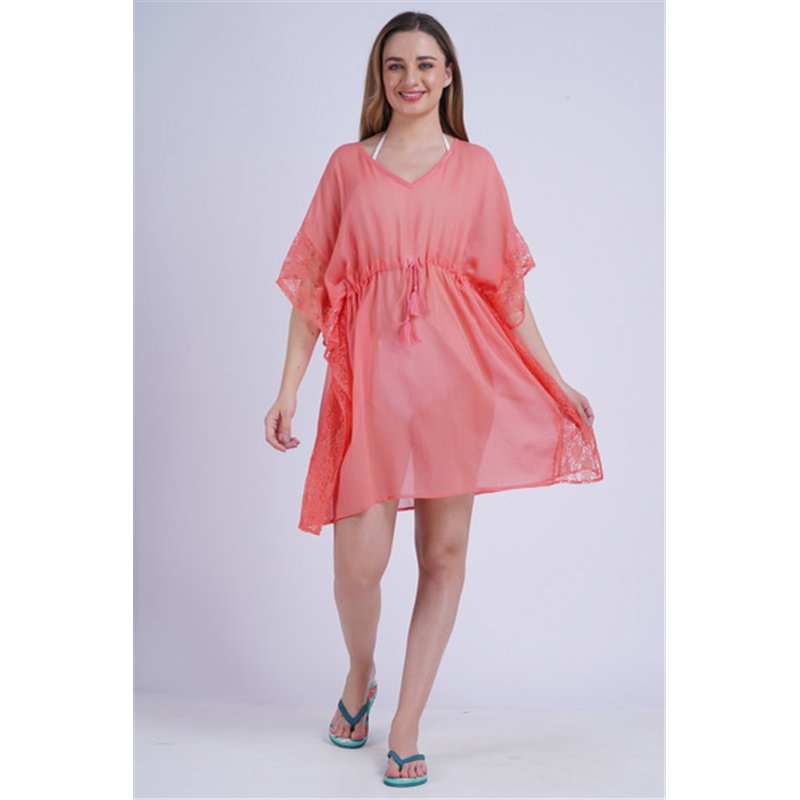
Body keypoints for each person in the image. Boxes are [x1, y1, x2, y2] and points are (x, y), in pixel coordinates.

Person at [264, 11, 604, 788]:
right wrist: (286, 389)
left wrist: (557, 382)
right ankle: (361, 673)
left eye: (425, 63)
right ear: (380, 78)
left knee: (443, 557)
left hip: (459, 390)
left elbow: (506, 294)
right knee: (358, 568)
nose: (410, 78)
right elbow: (311, 286)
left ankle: (408, 723)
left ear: (449, 74)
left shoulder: (477, 168)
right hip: (370, 394)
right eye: (395, 65)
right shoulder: (348, 167)